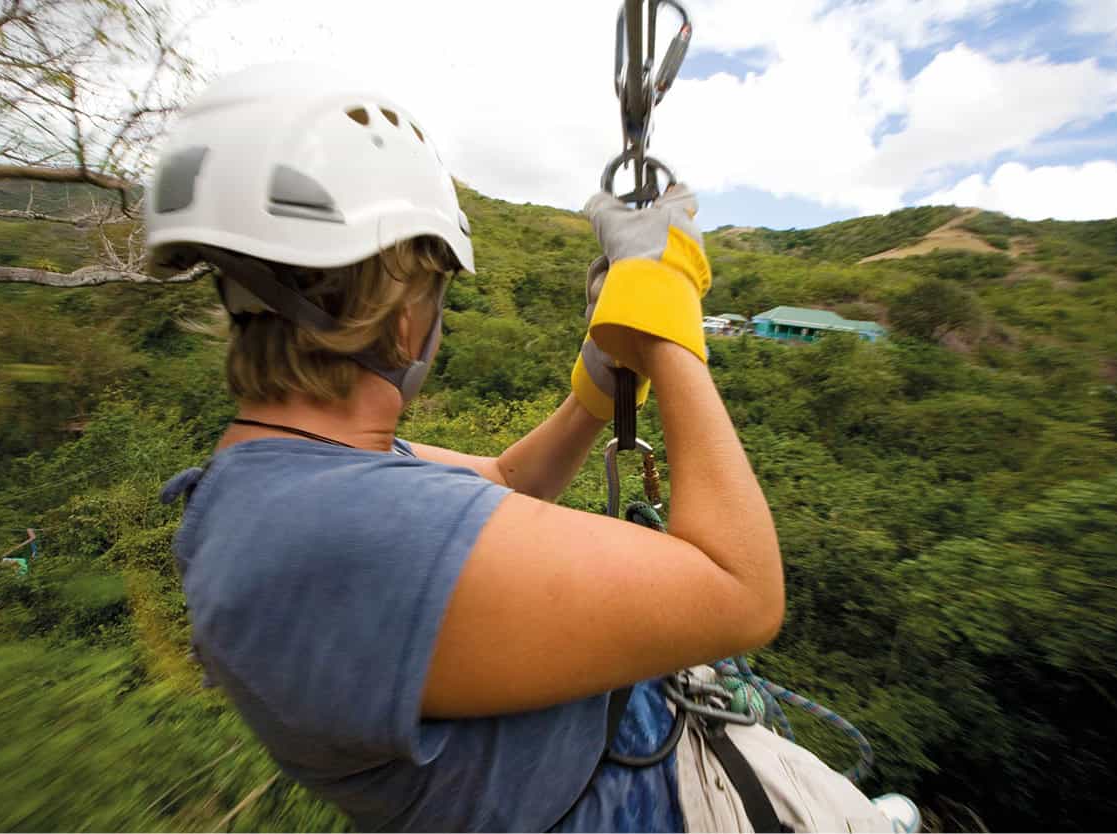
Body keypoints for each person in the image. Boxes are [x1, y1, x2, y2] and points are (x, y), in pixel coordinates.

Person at [151, 64, 912, 833]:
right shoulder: (348, 528)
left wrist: (596, 386)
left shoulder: (280, 486)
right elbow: (743, 593)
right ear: (408, 318)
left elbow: (514, 479)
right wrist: (664, 308)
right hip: (668, 801)